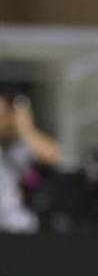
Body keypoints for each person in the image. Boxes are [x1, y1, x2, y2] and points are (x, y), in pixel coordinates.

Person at [0, 93, 61, 233]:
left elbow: (53, 155)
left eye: (3, 115)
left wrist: (26, 129)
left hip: (17, 225)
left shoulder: (21, 145)